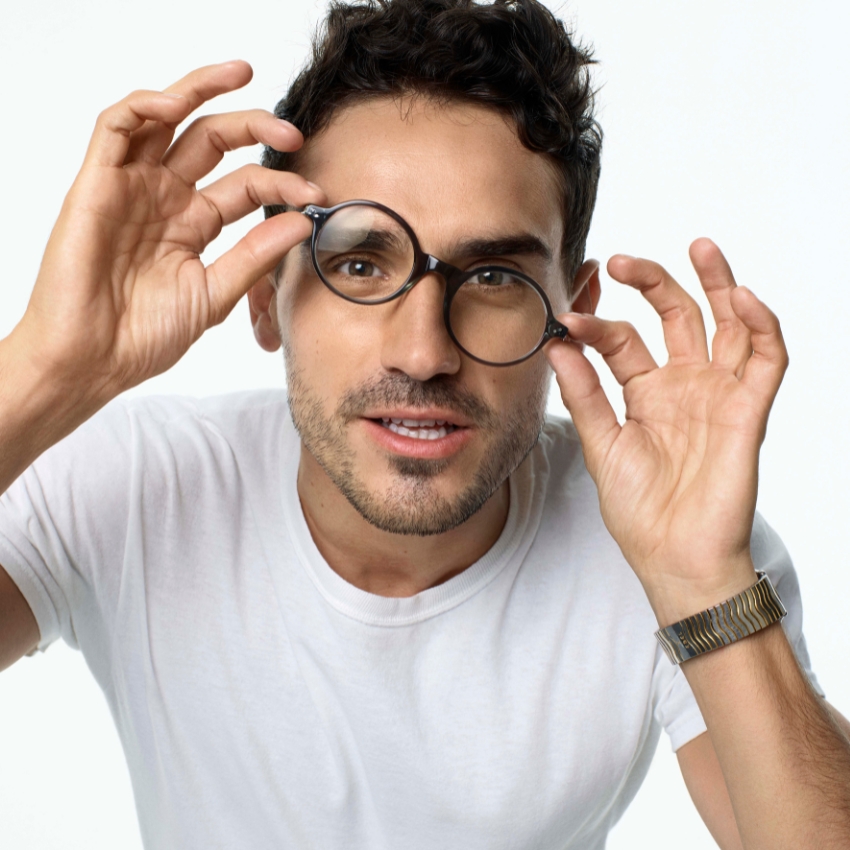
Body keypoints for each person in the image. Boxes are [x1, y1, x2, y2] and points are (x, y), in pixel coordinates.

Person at [0, 0, 848, 846]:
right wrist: (46, 370)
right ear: (265, 298)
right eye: (361, 263)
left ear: (571, 315)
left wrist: (705, 583)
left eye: (492, 279)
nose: (423, 352)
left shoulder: (661, 541)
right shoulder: (133, 483)